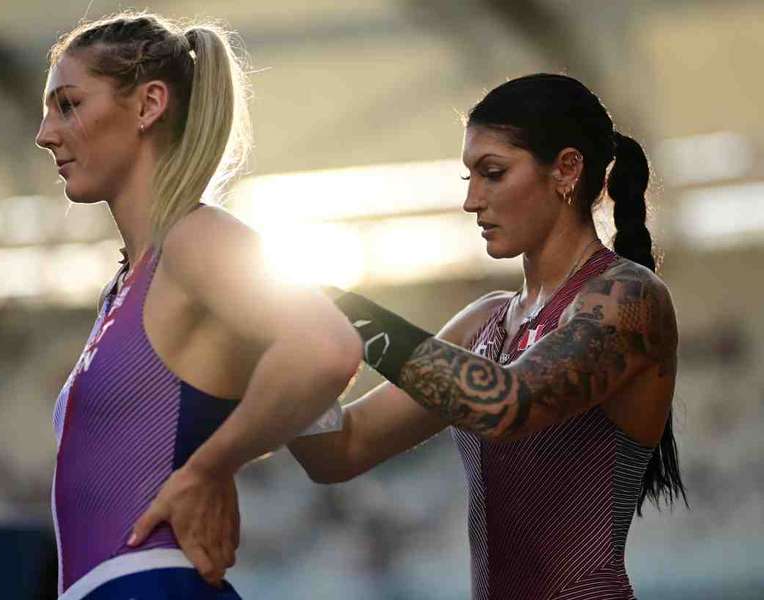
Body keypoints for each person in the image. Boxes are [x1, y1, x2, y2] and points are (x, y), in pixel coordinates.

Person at [151, 73, 688, 599]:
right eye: (468, 178)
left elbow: (507, 404)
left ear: (566, 170)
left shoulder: (628, 298)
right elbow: (341, 450)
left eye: (493, 173)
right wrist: (277, 340)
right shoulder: (485, 321)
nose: (471, 201)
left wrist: (331, 303)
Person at [34, 11, 362, 600]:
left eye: (68, 104)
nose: (45, 132)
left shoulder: (194, 237)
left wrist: (209, 469)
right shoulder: (133, 281)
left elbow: (327, 349)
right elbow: (335, 449)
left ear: (148, 104)